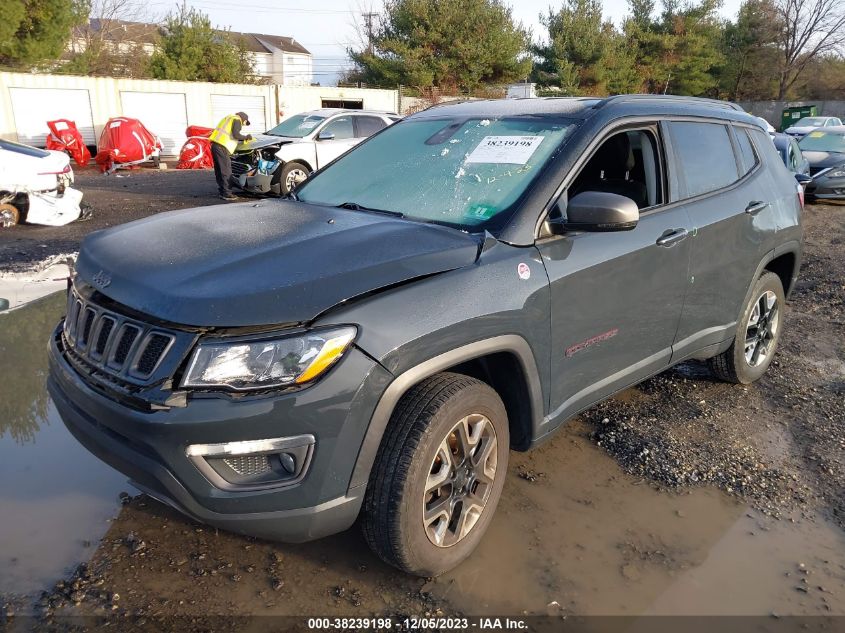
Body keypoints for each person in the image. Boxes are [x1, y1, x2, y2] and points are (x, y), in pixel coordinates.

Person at [209, 111, 253, 201]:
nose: (244, 125)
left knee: (219, 170)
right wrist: (246, 137)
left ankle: (222, 191)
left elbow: (229, 134)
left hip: (215, 145)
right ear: (243, 119)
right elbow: (236, 134)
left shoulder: (228, 118)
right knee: (226, 171)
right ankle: (227, 193)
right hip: (222, 147)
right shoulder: (237, 120)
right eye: (245, 123)